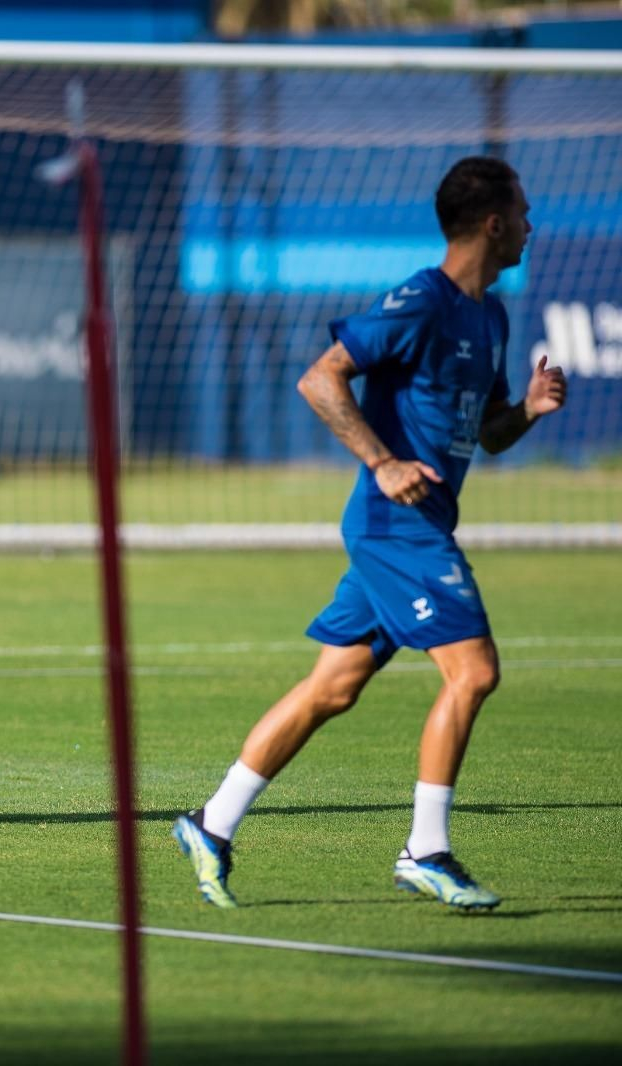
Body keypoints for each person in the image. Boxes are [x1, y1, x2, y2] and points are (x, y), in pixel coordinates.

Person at [173, 157, 566, 911]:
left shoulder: (490, 316)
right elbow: (320, 378)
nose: (530, 225)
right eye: (522, 211)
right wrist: (382, 461)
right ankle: (427, 849)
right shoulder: (420, 300)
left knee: (334, 686)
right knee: (474, 672)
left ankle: (211, 824)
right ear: (492, 222)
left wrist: (529, 412)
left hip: (415, 524)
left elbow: (487, 433)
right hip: (396, 526)